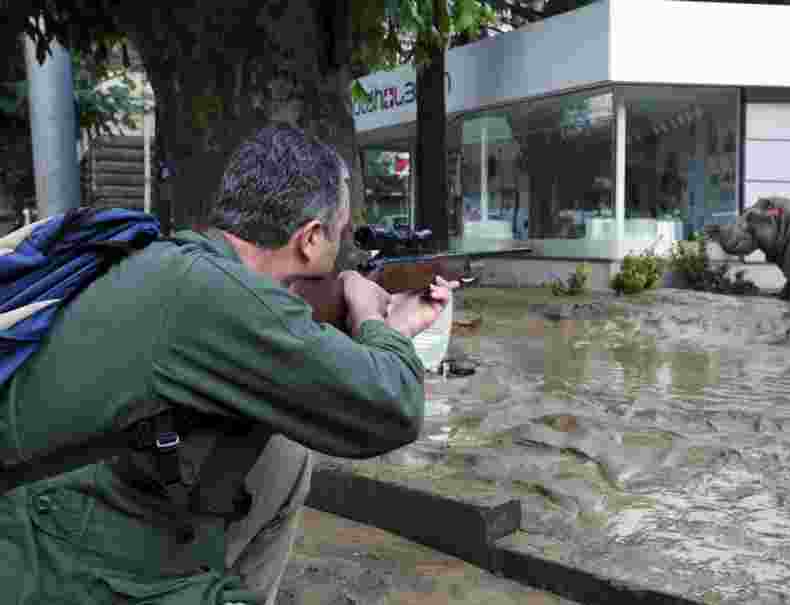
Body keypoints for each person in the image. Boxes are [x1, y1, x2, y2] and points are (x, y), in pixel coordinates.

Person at [0, 123, 457, 605]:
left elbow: (295, 362)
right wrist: (380, 321)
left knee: (285, 453)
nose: (346, 247)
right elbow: (392, 408)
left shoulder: (175, 263)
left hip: (55, 513)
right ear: (311, 239)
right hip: (46, 561)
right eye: (342, 233)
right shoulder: (213, 296)